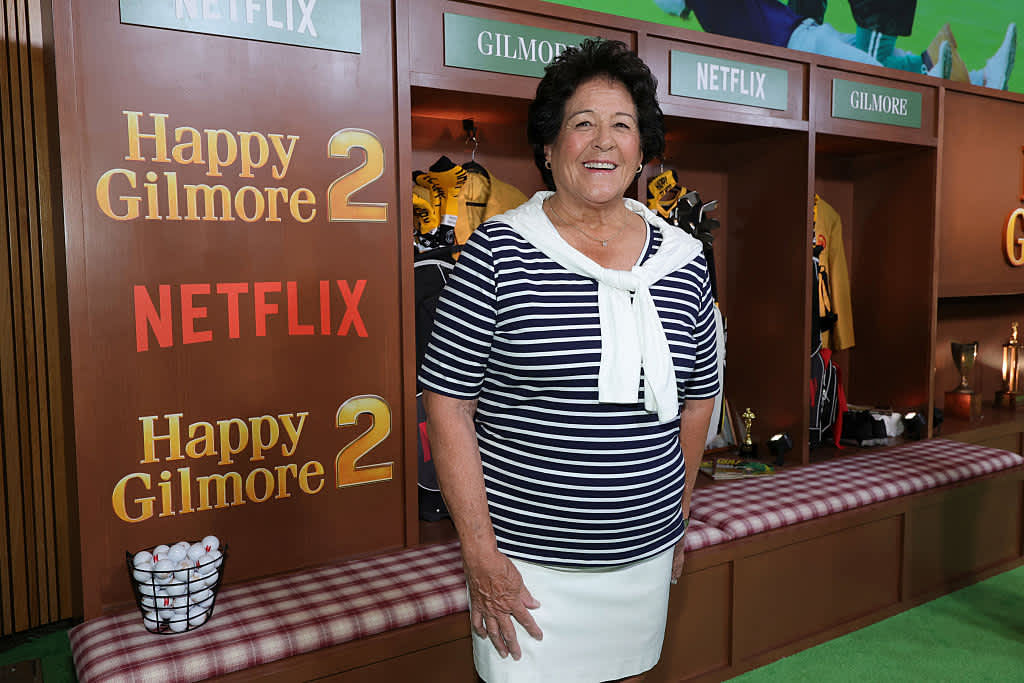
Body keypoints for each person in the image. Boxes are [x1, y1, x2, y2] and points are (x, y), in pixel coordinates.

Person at [419, 39, 720, 683]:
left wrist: (679, 511)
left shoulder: (684, 261)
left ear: (643, 150)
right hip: (525, 568)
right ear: (549, 149)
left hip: (644, 553)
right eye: (581, 124)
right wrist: (480, 557)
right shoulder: (496, 254)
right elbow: (446, 403)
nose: (602, 142)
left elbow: (701, 397)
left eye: (622, 125)